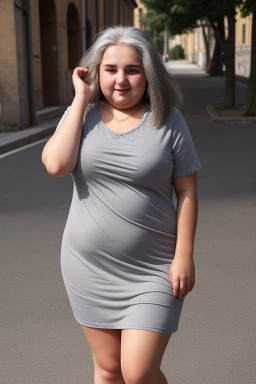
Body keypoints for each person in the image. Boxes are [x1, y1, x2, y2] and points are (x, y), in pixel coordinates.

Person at [42, 25, 201, 384]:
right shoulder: (82, 115)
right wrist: (80, 99)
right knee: (110, 370)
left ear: (149, 73)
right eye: (110, 70)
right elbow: (56, 165)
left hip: (154, 268)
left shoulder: (169, 121)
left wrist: (184, 254)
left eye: (132, 69)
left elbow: (187, 192)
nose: (121, 80)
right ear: (97, 72)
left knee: (139, 371)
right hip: (89, 267)